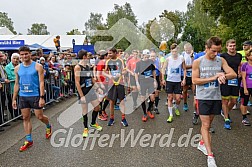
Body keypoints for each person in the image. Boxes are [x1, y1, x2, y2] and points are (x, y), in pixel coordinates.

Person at [192, 37, 236, 167]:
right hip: (203, 97)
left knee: (209, 123)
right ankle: (210, 156)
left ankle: (201, 143)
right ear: (207, 48)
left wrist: (223, 75)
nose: (215, 53)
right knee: (206, 125)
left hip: (216, 96)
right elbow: (195, 81)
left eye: (218, 51)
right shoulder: (198, 62)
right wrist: (215, 76)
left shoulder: (220, 60)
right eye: (213, 51)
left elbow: (233, 74)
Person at [12, 46, 52, 152]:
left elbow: (41, 82)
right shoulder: (17, 68)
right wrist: (14, 99)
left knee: (39, 116)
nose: (24, 56)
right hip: (23, 96)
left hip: (35, 95)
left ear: (30, 54)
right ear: (20, 56)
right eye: (22, 54)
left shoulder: (38, 66)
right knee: (25, 118)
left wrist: (42, 97)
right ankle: (29, 140)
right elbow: (16, 84)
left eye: (26, 54)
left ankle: (48, 125)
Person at [74, 50, 103, 138]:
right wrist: (82, 96)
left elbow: (91, 79)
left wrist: (98, 88)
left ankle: (93, 123)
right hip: (83, 92)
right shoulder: (78, 67)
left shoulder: (87, 66)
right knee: (85, 110)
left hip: (90, 90)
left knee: (97, 107)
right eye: (87, 55)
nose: (89, 57)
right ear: (84, 56)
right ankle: (85, 128)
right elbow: (77, 82)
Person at [103, 48, 128, 127]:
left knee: (122, 101)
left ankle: (123, 119)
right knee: (111, 102)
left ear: (115, 53)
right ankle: (112, 118)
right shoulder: (108, 61)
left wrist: (120, 73)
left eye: (110, 53)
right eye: (108, 53)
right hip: (112, 84)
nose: (109, 55)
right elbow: (104, 72)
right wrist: (109, 75)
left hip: (120, 83)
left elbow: (125, 70)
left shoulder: (120, 61)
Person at [220, 39, 242, 130]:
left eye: (234, 45)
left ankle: (224, 111)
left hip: (235, 80)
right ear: (227, 47)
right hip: (226, 80)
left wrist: (239, 72)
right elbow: (220, 67)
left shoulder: (239, 56)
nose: (232, 47)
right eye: (230, 46)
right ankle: (227, 119)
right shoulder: (223, 56)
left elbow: (239, 65)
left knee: (233, 101)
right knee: (225, 101)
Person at [161, 43, 186, 123]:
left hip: (178, 81)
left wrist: (184, 79)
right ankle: (171, 115)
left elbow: (184, 69)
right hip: (169, 81)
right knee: (170, 98)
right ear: (171, 51)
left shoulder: (181, 58)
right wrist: (163, 79)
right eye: (173, 51)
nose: (174, 53)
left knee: (178, 99)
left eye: (175, 51)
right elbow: (163, 69)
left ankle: (176, 107)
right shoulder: (168, 59)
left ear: (178, 50)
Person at [135, 49, 156, 122]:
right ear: (142, 55)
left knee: (152, 98)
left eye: (148, 57)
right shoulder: (139, 63)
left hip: (150, 82)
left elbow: (153, 71)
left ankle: (148, 110)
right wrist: (137, 83)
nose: (147, 58)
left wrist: (154, 80)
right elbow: (135, 73)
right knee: (142, 99)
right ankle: (144, 113)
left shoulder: (151, 62)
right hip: (142, 82)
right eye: (145, 57)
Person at [5, 53, 21, 119]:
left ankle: (20, 114)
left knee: (19, 101)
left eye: (17, 59)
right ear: (11, 59)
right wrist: (17, 78)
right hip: (11, 88)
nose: (15, 60)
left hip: (20, 88)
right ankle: (14, 115)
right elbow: (9, 77)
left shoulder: (20, 66)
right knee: (12, 101)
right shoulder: (8, 67)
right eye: (14, 58)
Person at [239, 49, 252, 126]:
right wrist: (245, 88)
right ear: (248, 56)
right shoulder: (245, 65)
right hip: (246, 86)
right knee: (244, 102)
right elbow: (243, 77)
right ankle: (244, 118)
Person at [182, 43, 195, 112]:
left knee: (194, 91)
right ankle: (185, 103)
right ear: (184, 49)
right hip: (186, 75)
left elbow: (195, 65)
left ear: (191, 49)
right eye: (186, 49)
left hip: (193, 75)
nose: (187, 51)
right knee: (184, 90)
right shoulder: (183, 55)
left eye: (189, 49)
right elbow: (184, 67)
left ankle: (196, 105)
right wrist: (191, 66)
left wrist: (192, 56)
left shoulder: (194, 54)